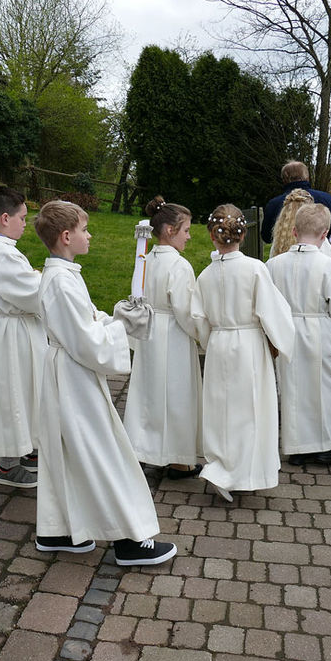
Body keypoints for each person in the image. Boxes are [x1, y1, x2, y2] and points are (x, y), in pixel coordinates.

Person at [33, 199, 177, 566]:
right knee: (102, 451)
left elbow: (83, 320)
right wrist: (121, 328)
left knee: (68, 450)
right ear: (66, 236)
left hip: (68, 371)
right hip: (73, 378)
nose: (90, 234)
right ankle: (128, 539)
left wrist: (114, 315)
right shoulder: (60, 282)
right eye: (84, 229)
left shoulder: (64, 274)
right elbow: (87, 343)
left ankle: (58, 529)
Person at [191, 204, 295, 501]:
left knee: (220, 410)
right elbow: (272, 310)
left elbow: (198, 318)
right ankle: (243, 472)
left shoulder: (205, 275)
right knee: (250, 409)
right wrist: (281, 342)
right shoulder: (255, 269)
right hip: (249, 344)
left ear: (212, 235)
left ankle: (221, 466)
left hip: (219, 344)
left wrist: (209, 339)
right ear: (243, 233)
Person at [266, 203, 331, 466]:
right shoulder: (330, 267)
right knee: (323, 387)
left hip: (285, 331)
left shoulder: (273, 265)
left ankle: (297, 447)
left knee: (292, 387)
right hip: (317, 331)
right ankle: (325, 445)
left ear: (294, 232)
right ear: (325, 234)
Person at [124, 196, 203, 479]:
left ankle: (144, 449)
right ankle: (179, 460)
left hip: (148, 333)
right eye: (186, 230)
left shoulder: (145, 258)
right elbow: (187, 311)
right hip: (173, 335)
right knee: (176, 394)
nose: (189, 237)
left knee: (148, 392)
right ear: (170, 230)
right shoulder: (179, 266)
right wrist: (203, 336)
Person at [0, 185, 43, 488]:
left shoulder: (4, 251)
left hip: (18, 328)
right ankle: (6, 466)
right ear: (5, 218)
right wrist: (48, 279)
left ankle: (28, 448)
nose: (25, 224)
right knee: (13, 392)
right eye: (22, 218)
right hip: (12, 332)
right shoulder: (3, 255)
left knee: (28, 388)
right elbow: (33, 293)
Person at [262, 161, 331, 244]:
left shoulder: (274, 204)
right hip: (321, 252)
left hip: (285, 253)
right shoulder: (327, 199)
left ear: (284, 180)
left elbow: (267, 237)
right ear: (307, 177)